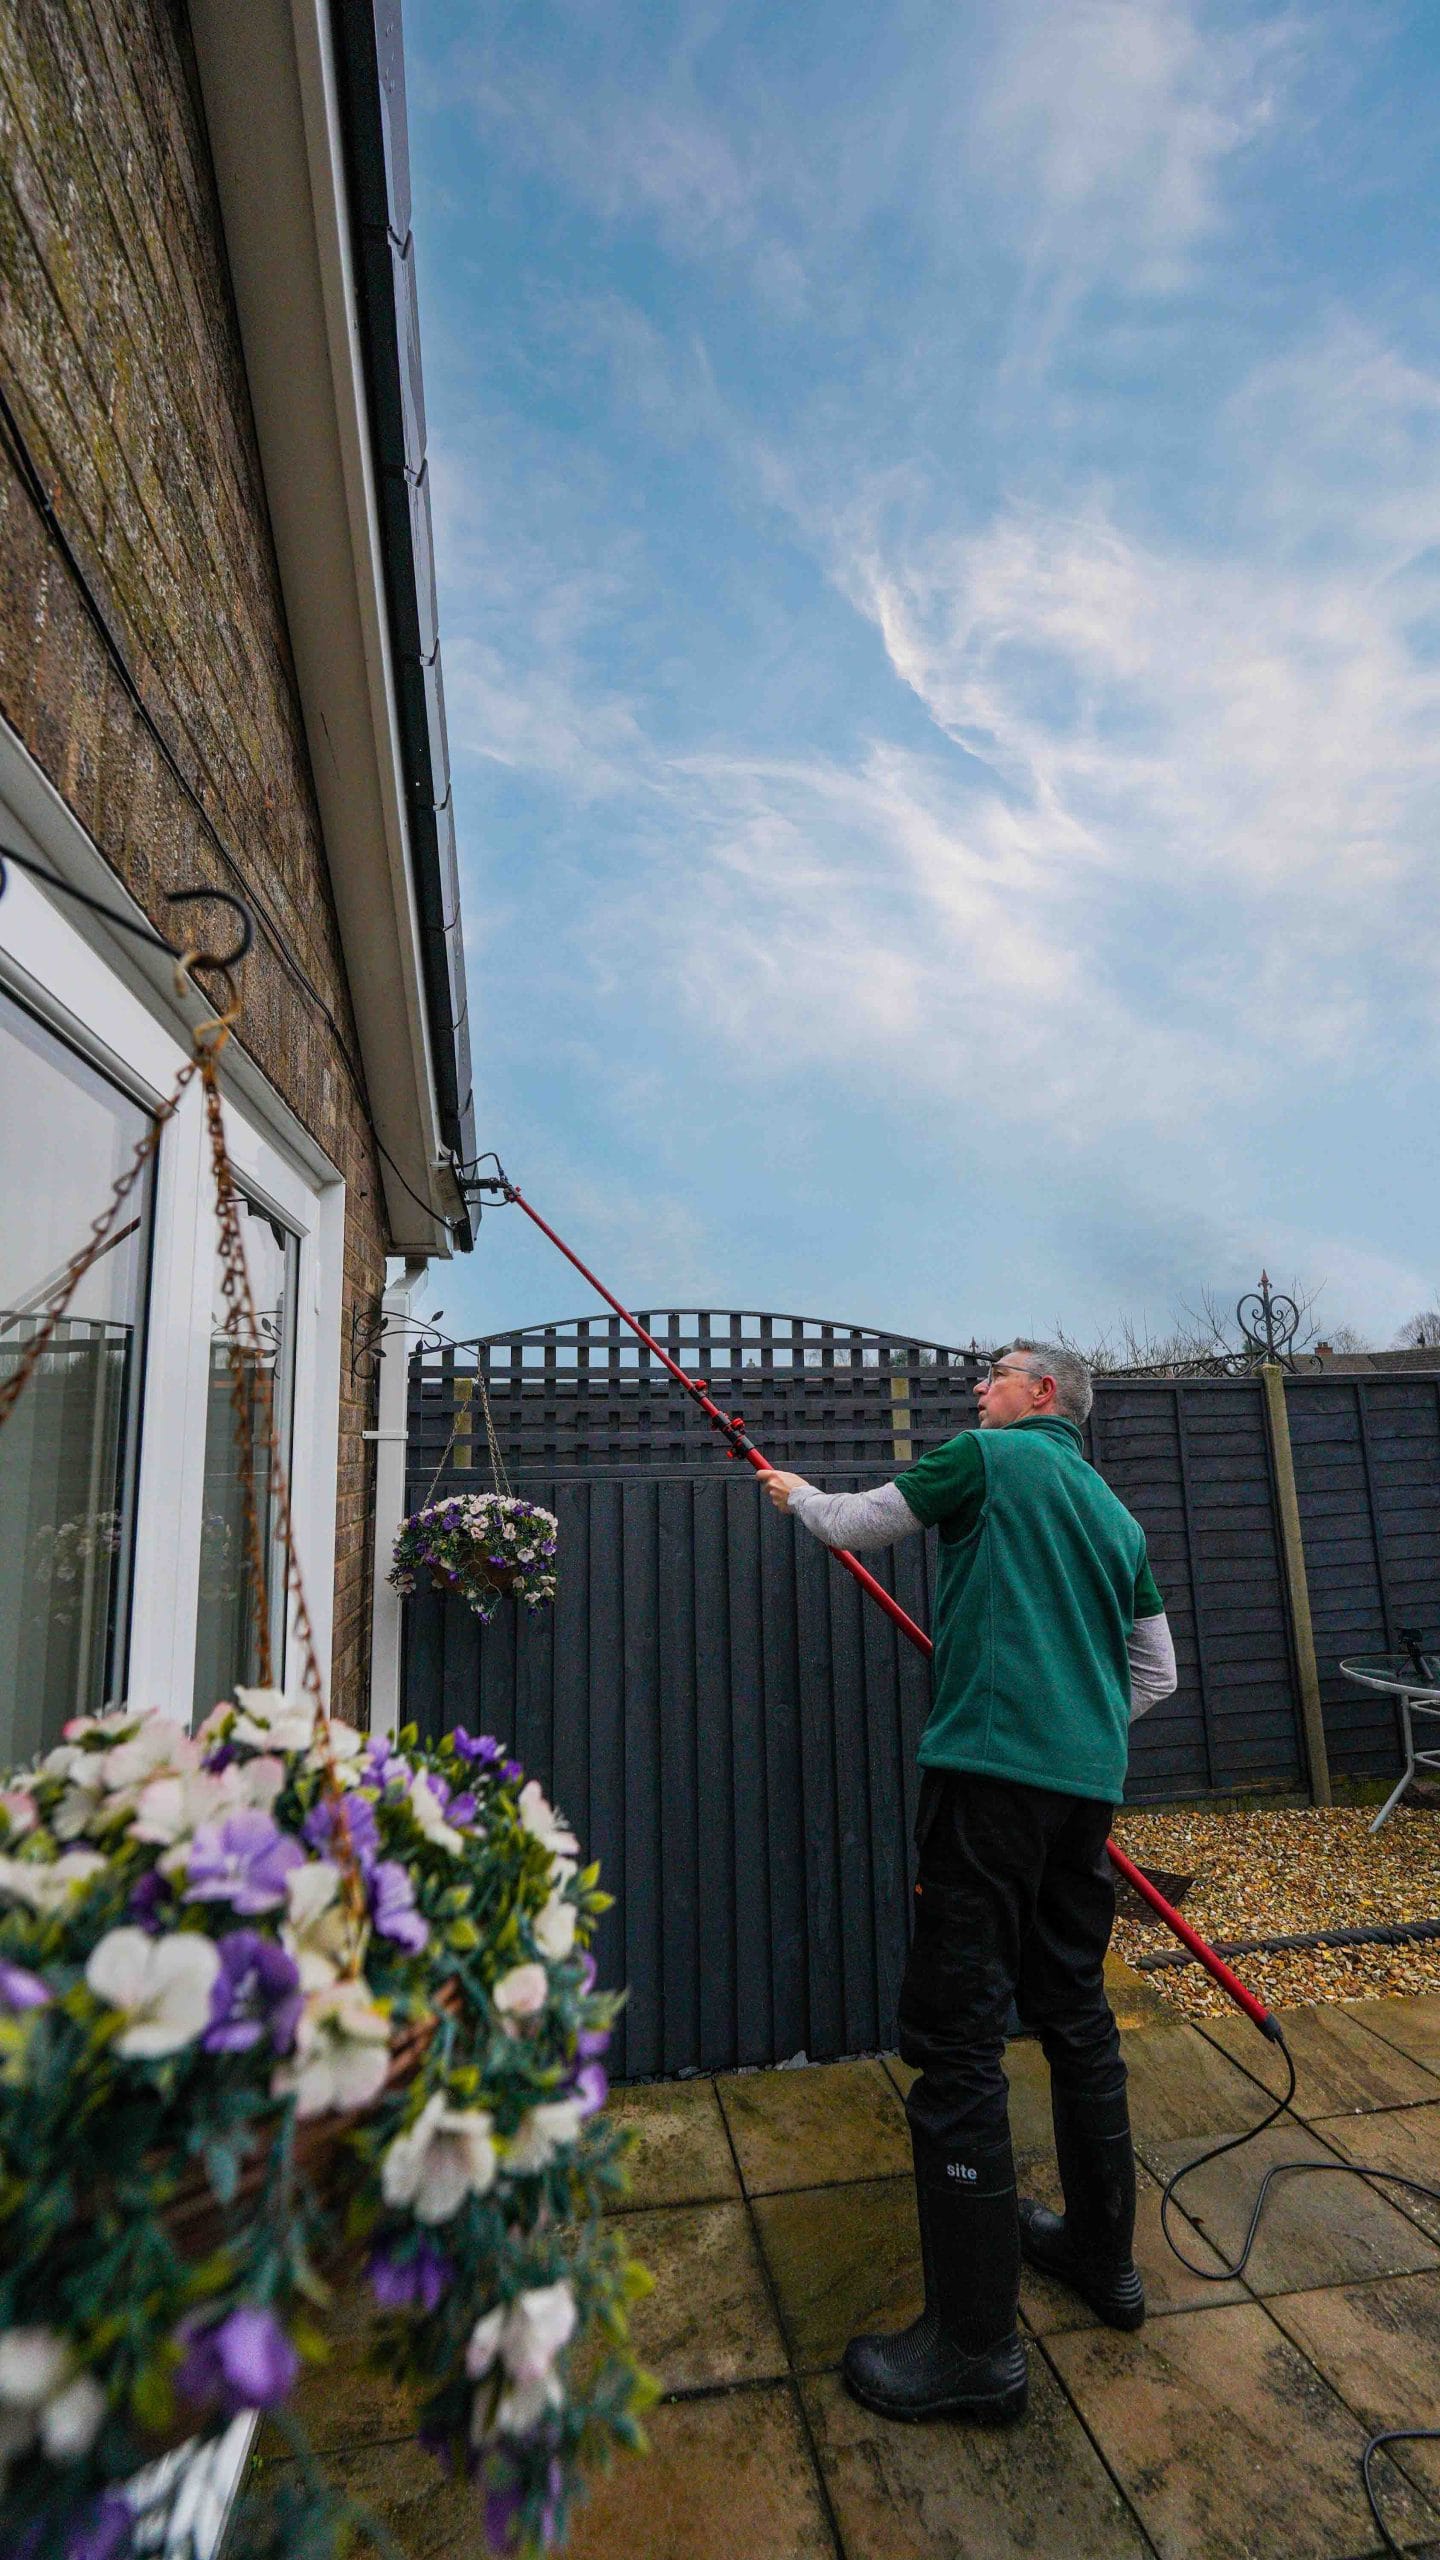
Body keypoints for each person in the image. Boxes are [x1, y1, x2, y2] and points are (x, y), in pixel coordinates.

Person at [761, 1339, 1177, 2426]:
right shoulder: (1120, 1519)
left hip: (986, 1786)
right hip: (1083, 1798)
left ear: (1044, 1393)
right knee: (1077, 2013)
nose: (975, 1392)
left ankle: (975, 2349)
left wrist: (798, 1491)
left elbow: (859, 1523)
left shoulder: (991, 1460)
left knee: (956, 2037)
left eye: (992, 1376)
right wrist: (1076, 1733)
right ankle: (1103, 2258)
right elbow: (1157, 1673)